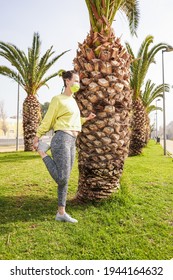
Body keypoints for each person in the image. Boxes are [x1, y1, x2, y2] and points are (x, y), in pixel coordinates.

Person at [33, 70, 96, 223]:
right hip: (61, 139)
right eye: (75, 80)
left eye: (78, 81)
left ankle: (61, 212)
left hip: (72, 141)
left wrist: (85, 119)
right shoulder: (58, 99)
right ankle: (43, 153)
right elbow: (48, 120)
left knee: (65, 179)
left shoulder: (73, 101)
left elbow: (73, 121)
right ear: (67, 81)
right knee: (62, 178)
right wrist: (37, 136)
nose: (78, 84)